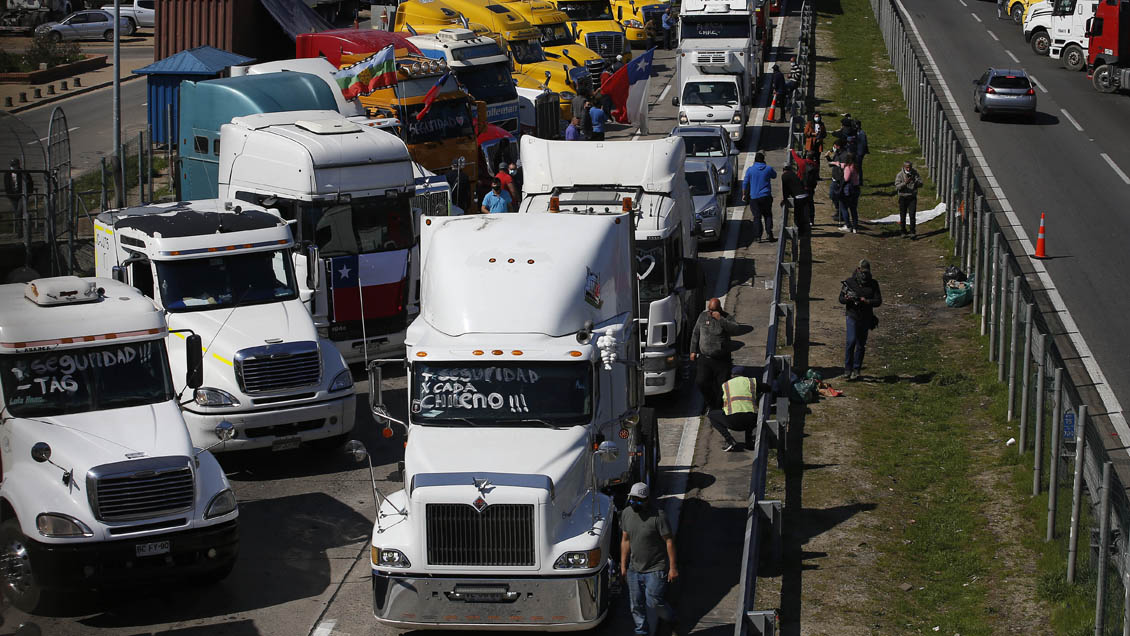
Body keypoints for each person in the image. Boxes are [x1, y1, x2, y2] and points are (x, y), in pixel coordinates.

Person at [621, 482, 682, 636]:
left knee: (653, 601)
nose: (635, 502)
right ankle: (641, 631)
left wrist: (673, 568)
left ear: (647, 499)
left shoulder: (659, 516)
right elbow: (625, 540)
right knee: (635, 605)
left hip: (656, 568)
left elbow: (669, 541)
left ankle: (671, 619)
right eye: (633, 499)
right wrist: (623, 565)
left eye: (639, 500)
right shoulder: (627, 513)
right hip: (634, 569)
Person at [690, 297, 740, 412]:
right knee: (701, 381)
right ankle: (711, 403)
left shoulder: (726, 317)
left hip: (721, 360)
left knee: (721, 386)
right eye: (709, 310)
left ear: (719, 309)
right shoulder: (703, 317)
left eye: (713, 310)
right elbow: (696, 333)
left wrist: (721, 320)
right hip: (705, 358)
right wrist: (693, 350)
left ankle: (718, 408)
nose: (710, 312)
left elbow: (736, 329)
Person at [706, 366, 771, 451]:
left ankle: (730, 440)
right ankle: (749, 442)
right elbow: (767, 388)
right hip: (752, 421)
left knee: (711, 415)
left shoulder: (725, 385)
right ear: (744, 375)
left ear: (732, 375)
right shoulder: (751, 382)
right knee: (748, 411)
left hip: (733, 422)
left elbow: (718, 403)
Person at [838, 259, 882, 380]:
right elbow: (841, 299)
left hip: (866, 317)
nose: (864, 274)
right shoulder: (849, 282)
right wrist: (847, 299)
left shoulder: (873, 284)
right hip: (852, 315)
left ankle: (857, 369)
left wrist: (867, 301)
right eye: (862, 272)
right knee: (851, 341)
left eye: (866, 272)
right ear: (858, 270)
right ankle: (848, 369)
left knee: (861, 344)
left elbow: (878, 301)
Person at [742, 152, 777, 242]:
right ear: (763, 160)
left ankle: (758, 236)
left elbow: (745, 183)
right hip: (766, 195)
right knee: (768, 215)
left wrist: (744, 194)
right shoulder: (768, 169)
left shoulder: (750, 170)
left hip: (754, 197)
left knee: (757, 217)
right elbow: (774, 175)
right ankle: (769, 233)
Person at [781, 163, 810, 235]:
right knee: (802, 213)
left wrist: (785, 199)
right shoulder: (793, 174)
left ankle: (800, 231)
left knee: (798, 215)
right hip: (805, 195)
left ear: (784, 170)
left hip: (798, 197)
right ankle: (804, 229)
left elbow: (785, 189)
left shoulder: (784, 176)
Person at [803, 112, 826, 178]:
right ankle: (807, 174)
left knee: (817, 160)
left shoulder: (822, 124)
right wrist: (812, 134)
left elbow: (824, 134)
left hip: (818, 144)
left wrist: (820, 136)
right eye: (816, 116)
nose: (817, 118)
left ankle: (816, 175)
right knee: (809, 159)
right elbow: (805, 133)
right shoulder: (809, 124)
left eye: (818, 116)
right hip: (810, 144)